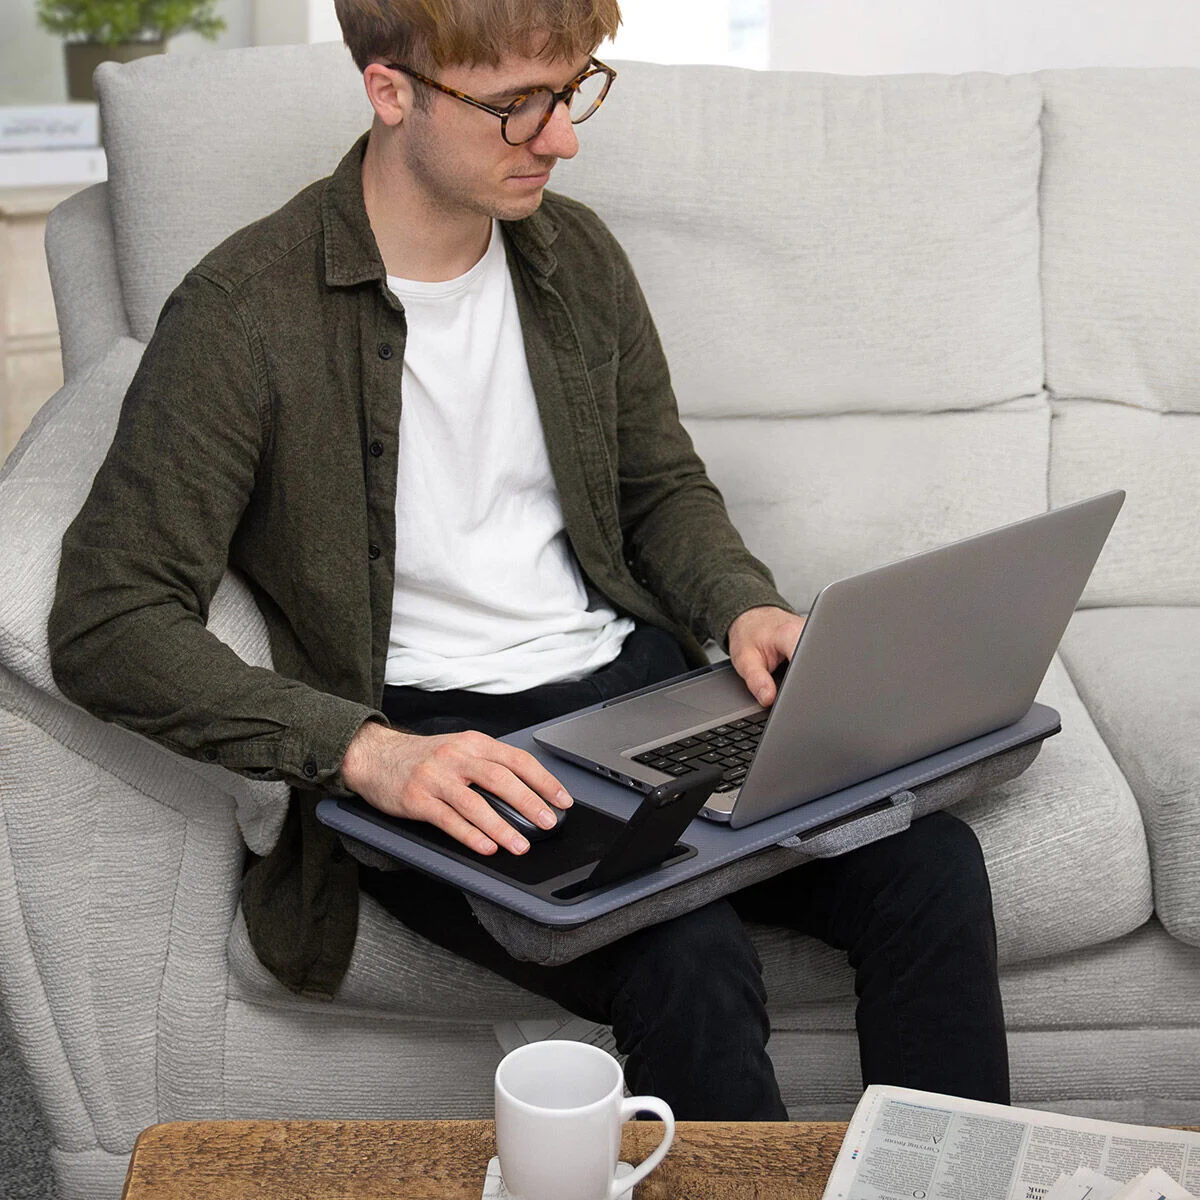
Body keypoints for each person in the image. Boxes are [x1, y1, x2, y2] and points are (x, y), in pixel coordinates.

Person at [48, 0, 1010, 1118]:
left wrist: (742, 606)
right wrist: (363, 751)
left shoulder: (577, 259)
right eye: (517, 107)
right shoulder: (242, 316)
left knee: (931, 867)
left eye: (574, 90)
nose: (562, 139)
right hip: (445, 744)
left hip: (640, 695)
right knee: (685, 952)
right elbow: (107, 619)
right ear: (391, 91)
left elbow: (659, 488)